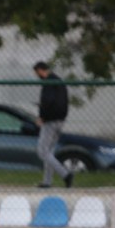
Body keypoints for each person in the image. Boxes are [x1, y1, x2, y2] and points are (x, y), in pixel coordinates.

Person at [33, 61, 73, 189]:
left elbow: (47, 101)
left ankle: (65, 174)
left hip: (50, 121)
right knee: (49, 152)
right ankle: (47, 181)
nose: (37, 76)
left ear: (40, 70)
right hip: (60, 120)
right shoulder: (59, 81)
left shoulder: (48, 82)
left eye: (37, 73)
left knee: (42, 151)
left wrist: (42, 116)